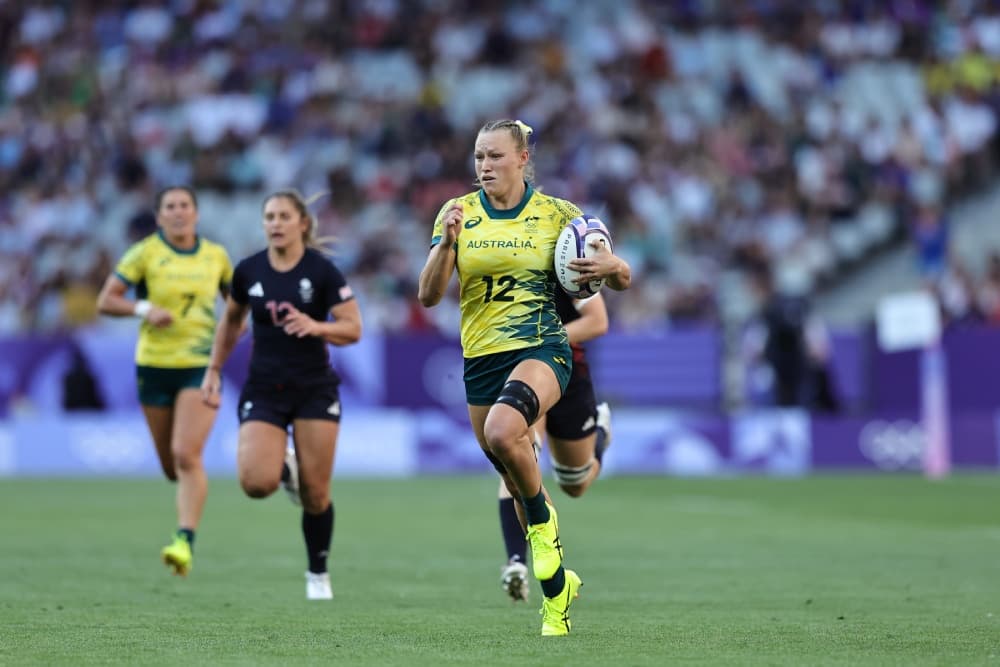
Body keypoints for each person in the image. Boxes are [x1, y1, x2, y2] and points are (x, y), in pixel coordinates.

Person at [417, 119, 631, 636]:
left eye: (494, 156)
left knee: (503, 430)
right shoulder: (457, 214)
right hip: (481, 361)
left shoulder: (560, 216)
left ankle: (543, 534)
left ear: (522, 158)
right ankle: (558, 593)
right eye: (478, 158)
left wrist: (613, 266)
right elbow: (427, 296)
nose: (484, 166)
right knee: (520, 477)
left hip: (543, 349)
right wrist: (444, 248)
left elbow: (618, 279)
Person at [200, 189, 362, 601]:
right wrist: (214, 369)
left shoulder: (322, 272)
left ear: (302, 223)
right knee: (256, 483)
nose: (274, 223)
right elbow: (232, 322)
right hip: (264, 388)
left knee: (316, 493)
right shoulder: (249, 271)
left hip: (313, 389)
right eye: (269, 216)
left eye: (283, 216)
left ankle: (317, 573)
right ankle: (284, 470)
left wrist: (317, 327)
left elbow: (352, 328)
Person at [96, 186, 233, 576]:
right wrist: (143, 308)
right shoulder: (144, 253)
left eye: (184, 206)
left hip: (199, 366)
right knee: (172, 466)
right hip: (154, 367)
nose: (177, 213)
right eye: (169, 207)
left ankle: (184, 541)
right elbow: (107, 300)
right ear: (159, 217)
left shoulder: (216, 257)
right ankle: (186, 512)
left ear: (196, 213)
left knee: (187, 454)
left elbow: (237, 305)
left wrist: (228, 340)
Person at [497, 290, 613, 603]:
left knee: (575, 483)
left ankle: (600, 432)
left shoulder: (562, 256)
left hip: (567, 369)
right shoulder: (499, 255)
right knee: (521, 457)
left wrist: (545, 338)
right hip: (521, 371)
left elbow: (598, 321)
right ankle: (517, 562)